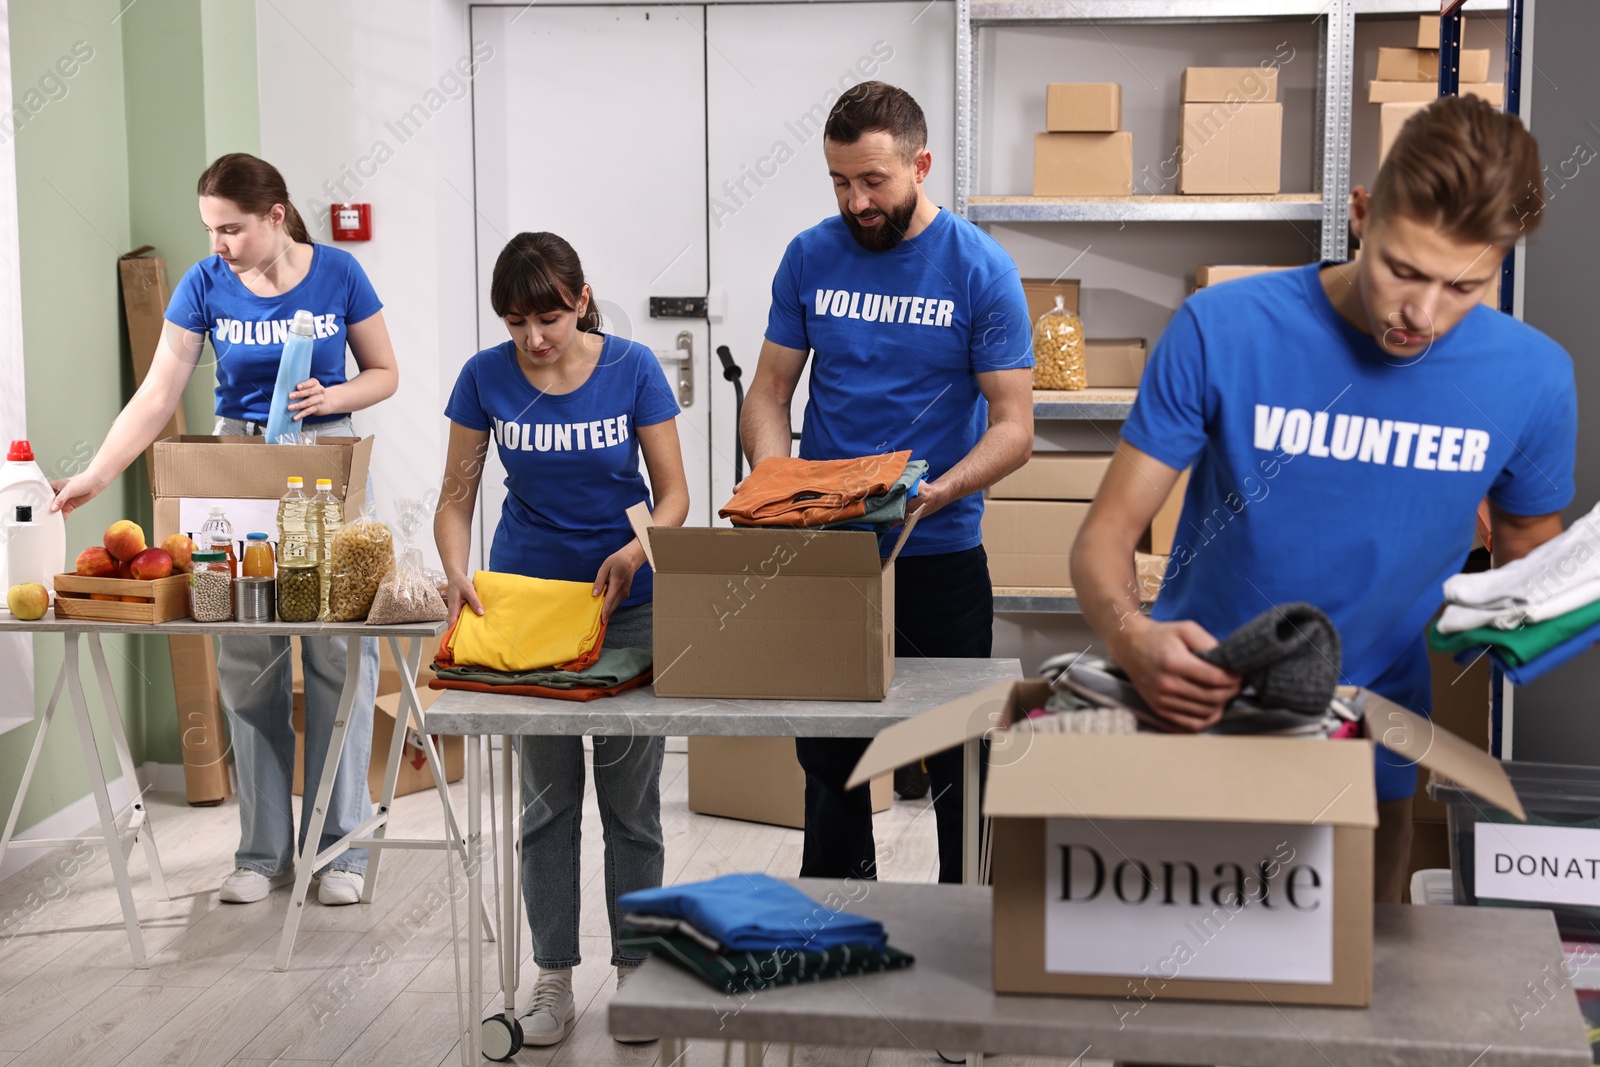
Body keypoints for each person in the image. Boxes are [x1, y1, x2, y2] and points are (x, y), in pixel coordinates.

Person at [1072, 94, 1573, 904]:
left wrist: (1535, 610)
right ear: (1361, 214)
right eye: (1403, 270)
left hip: (1367, 749)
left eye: (1464, 286)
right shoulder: (1223, 329)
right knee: (1170, 1008)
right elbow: (1103, 540)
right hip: (1197, 718)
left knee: (1347, 1014)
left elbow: (1530, 569)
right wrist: (1132, 638)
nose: (1423, 313)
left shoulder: (1534, 378)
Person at [52, 153, 397, 907]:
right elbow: (157, 393)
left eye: (231, 229)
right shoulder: (204, 285)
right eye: (210, 228)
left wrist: (328, 392)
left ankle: (340, 852)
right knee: (248, 656)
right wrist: (95, 476)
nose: (217, 244)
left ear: (275, 217)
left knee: (336, 655)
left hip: (322, 457)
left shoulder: (338, 274)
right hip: (235, 466)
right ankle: (262, 850)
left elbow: (385, 373)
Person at [741, 81, 1034, 884]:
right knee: (830, 763)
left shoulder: (981, 268)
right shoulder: (809, 255)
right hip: (832, 551)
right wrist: (777, 479)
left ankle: (966, 938)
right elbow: (769, 392)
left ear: (921, 164)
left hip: (938, 548)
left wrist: (944, 488)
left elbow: (1014, 424)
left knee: (958, 766)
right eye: (840, 181)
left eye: (874, 181)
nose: (856, 201)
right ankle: (842, 937)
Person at [434, 231, 689, 1047]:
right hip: (529, 608)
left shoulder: (633, 369)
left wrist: (635, 547)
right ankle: (551, 979)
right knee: (547, 805)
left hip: (628, 604)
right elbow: (455, 498)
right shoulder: (483, 377)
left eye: (548, 317)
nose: (534, 339)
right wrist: (455, 568)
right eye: (516, 323)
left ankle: (640, 975)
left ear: (582, 299)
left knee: (632, 806)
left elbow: (676, 495)